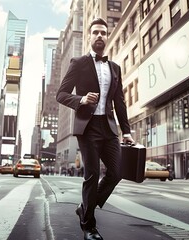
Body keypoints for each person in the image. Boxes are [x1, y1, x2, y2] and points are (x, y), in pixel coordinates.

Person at [56, 17, 134, 240]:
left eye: (103, 33)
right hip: (88, 128)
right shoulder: (78, 63)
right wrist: (80, 100)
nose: (100, 36)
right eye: (96, 32)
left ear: (107, 37)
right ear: (89, 37)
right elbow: (61, 94)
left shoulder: (115, 68)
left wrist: (126, 131)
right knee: (91, 174)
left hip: (109, 128)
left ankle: (85, 208)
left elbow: (119, 102)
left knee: (116, 172)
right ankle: (89, 227)